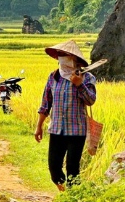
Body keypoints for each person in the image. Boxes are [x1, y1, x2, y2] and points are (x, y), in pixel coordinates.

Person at [34, 40, 97, 192]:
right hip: (56, 129)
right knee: (54, 168)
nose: (62, 57)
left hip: (76, 131)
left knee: (72, 169)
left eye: (65, 55)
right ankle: (65, 193)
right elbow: (45, 103)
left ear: (74, 59)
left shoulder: (87, 77)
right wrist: (39, 127)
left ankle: (73, 200)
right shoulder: (54, 76)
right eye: (60, 54)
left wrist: (79, 84)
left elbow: (91, 100)